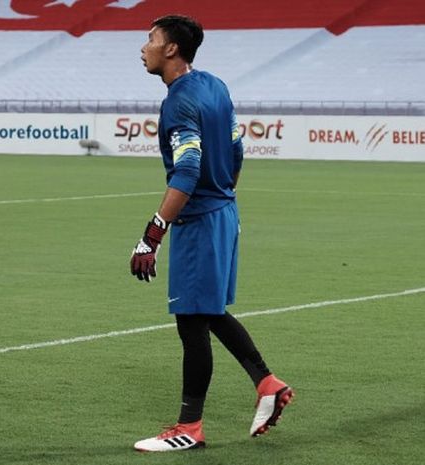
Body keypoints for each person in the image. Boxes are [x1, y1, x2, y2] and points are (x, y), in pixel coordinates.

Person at [130, 15, 293, 452]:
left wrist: (152, 234)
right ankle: (267, 383)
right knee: (208, 311)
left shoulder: (179, 102)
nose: (142, 47)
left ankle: (190, 428)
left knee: (191, 322)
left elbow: (186, 169)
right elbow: (237, 147)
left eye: (150, 39)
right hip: (224, 213)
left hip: (200, 221)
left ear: (170, 50)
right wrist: (224, 194)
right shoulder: (216, 85)